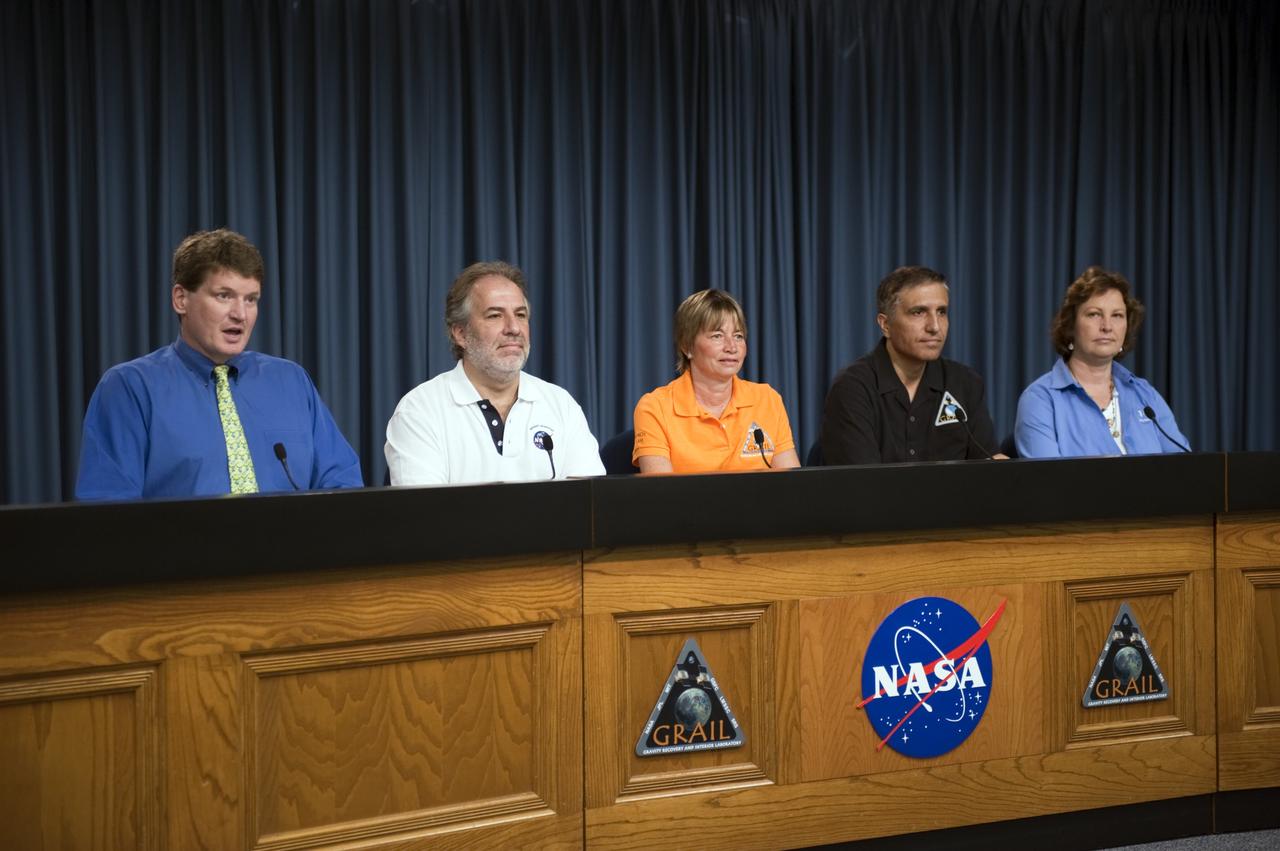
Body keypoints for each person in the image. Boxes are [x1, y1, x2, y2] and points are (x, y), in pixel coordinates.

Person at [76, 229, 363, 500]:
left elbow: (342, 484)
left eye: (251, 299)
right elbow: (109, 510)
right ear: (181, 299)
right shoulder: (130, 388)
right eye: (224, 296)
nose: (240, 314)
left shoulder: (291, 381)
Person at [385, 261, 605, 484]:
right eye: (495, 315)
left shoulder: (561, 405)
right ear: (460, 333)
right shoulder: (419, 411)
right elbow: (422, 515)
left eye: (520, 315)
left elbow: (592, 505)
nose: (514, 328)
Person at [820, 265, 1001, 465]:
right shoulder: (853, 388)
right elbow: (862, 486)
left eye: (941, 312)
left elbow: (988, 472)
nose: (934, 326)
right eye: (918, 312)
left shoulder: (966, 383)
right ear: (885, 325)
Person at [1015, 266, 1189, 457]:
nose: (1107, 326)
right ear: (1071, 325)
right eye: (1094, 314)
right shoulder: (1040, 400)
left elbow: (1185, 470)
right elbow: (1048, 483)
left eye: (1117, 315)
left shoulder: (1145, 395)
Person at [632, 289, 800, 473]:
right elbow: (660, 495)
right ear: (687, 346)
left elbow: (792, 489)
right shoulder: (655, 408)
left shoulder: (767, 399)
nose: (731, 347)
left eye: (738, 336)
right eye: (717, 336)